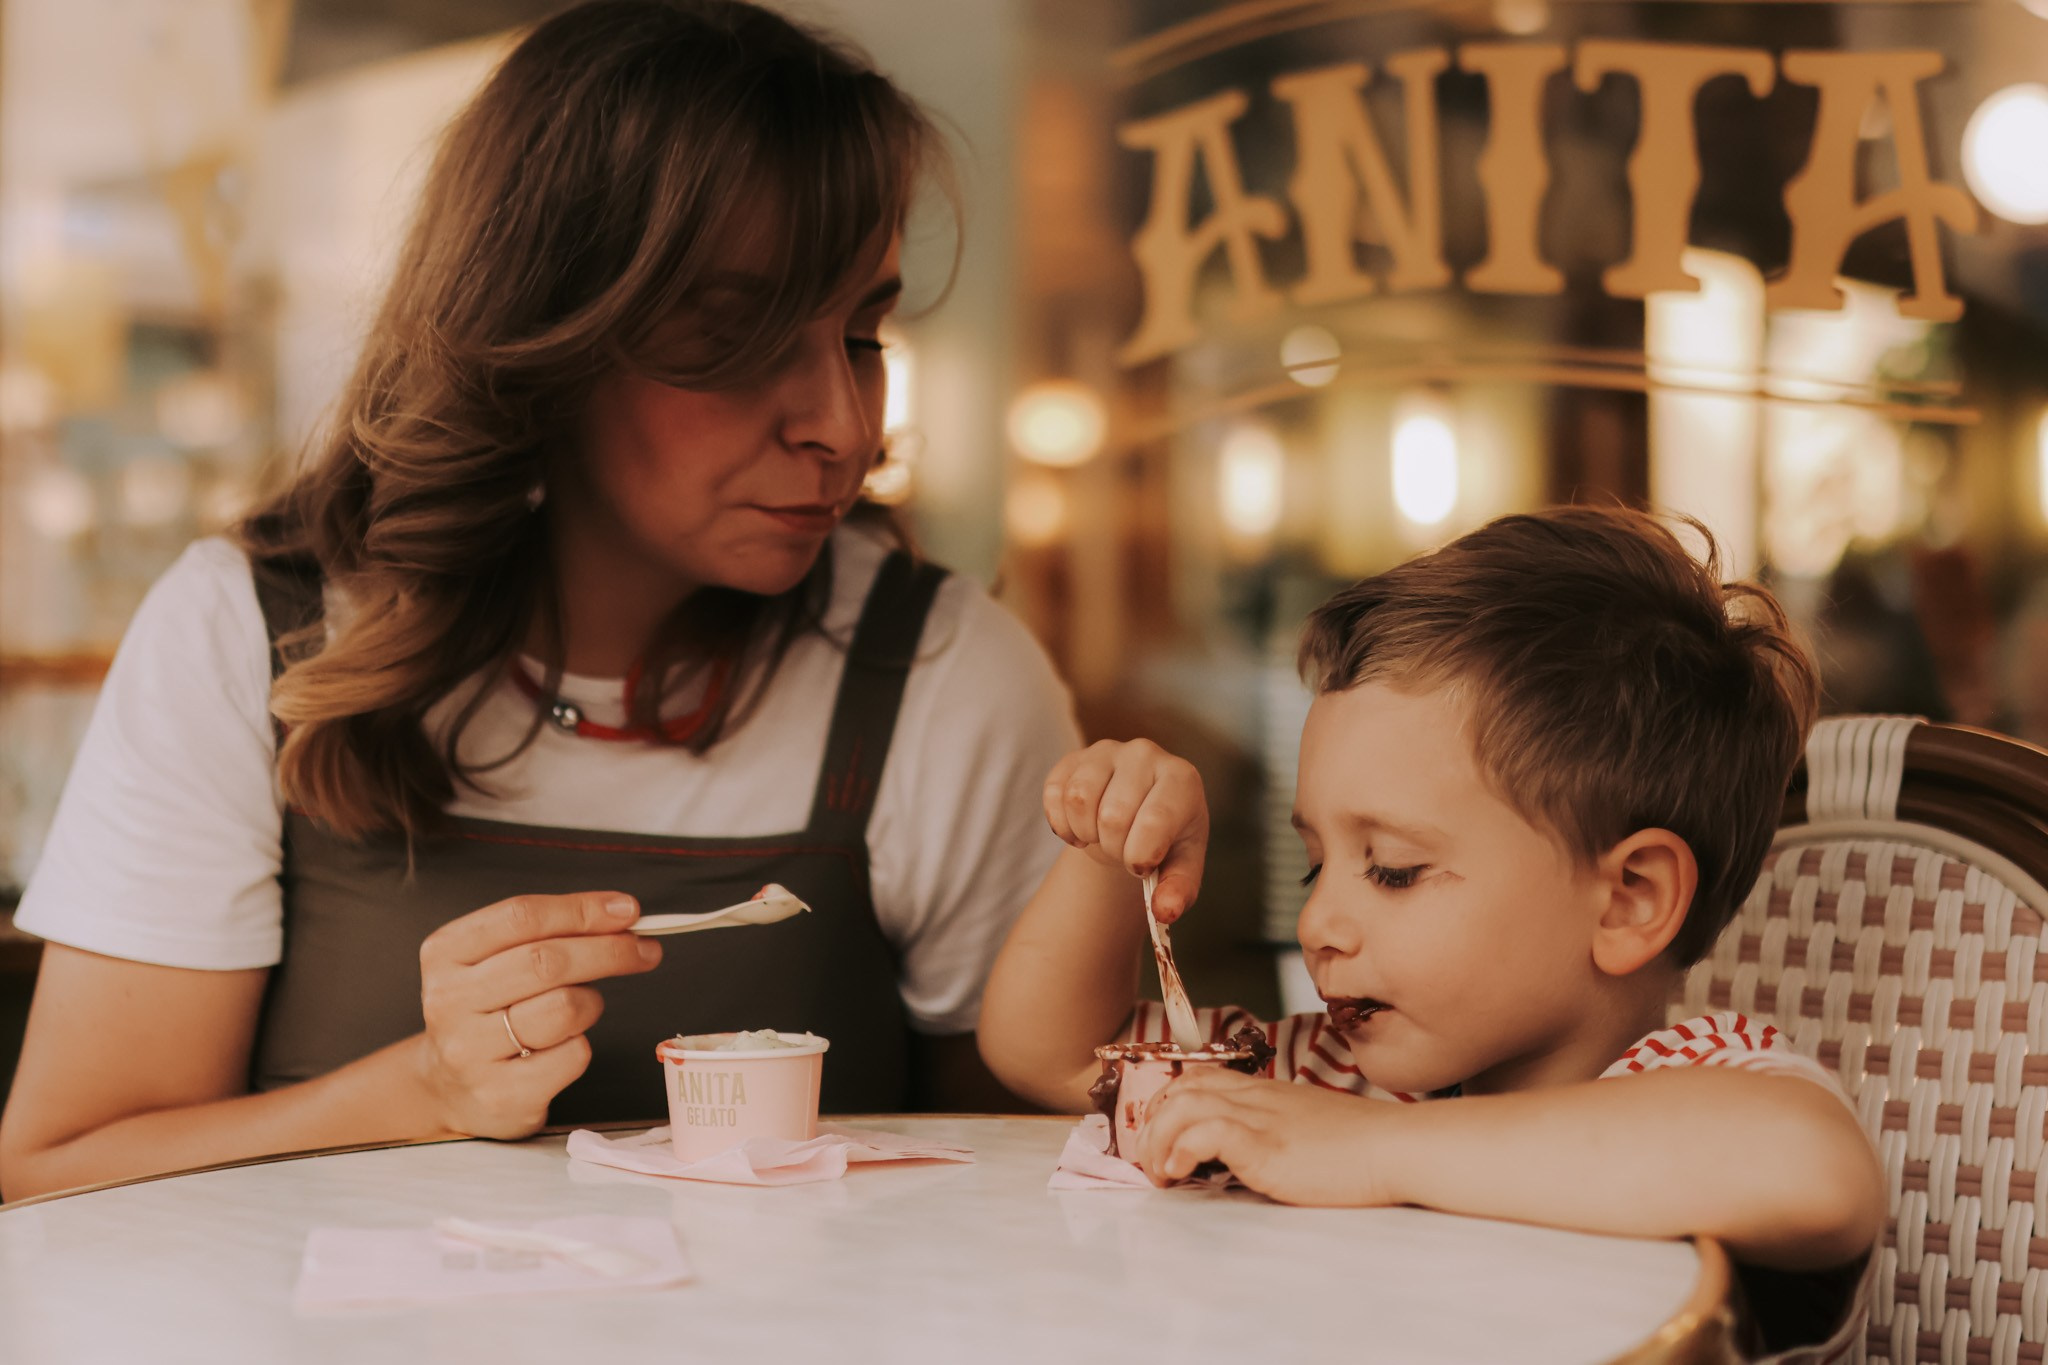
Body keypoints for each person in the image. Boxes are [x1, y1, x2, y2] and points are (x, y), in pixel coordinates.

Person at [0, 0, 1077, 1202]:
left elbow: (1035, 1193)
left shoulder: (939, 671)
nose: (840, 425)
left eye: (863, 335)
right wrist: (422, 1093)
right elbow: (58, 1175)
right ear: (548, 333)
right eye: (735, 337)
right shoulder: (251, 636)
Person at [979, 507, 1883, 1362]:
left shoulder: (1696, 1086)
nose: (1317, 921)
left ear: (1628, 901)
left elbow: (1814, 1169)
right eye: (1315, 865)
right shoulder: (1334, 1076)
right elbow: (1050, 1054)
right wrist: (1115, 850)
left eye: (1394, 869)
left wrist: (1363, 1149)